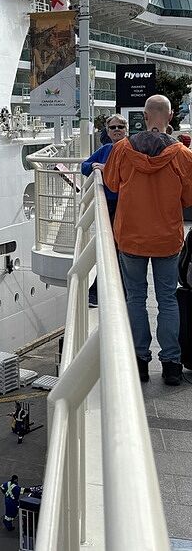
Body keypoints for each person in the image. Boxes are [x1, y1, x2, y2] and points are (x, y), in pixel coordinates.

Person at [104, 95, 192, 386]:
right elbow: (188, 198)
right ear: (169, 117)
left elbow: (112, 184)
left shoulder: (123, 148)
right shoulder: (181, 154)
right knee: (167, 300)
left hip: (131, 237)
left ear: (144, 115)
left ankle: (139, 361)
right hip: (166, 238)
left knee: (135, 298)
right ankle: (171, 365)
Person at [81, 114, 128, 306]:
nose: (116, 130)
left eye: (120, 127)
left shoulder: (131, 149)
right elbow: (84, 166)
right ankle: (107, 292)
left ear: (126, 129)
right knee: (112, 248)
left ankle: (101, 292)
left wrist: (105, 168)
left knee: (118, 249)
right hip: (109, 205)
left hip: (127, 205)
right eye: (113, 127)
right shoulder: (106, 149)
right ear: (107, 132)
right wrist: (94, 165)